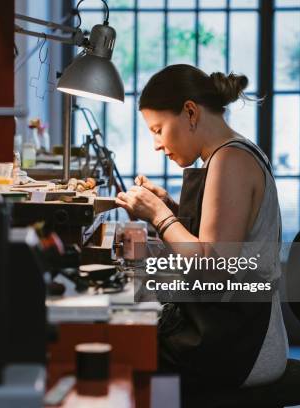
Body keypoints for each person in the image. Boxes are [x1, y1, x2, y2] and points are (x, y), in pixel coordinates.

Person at [115, 64, 288, 396]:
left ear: (190, 112)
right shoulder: (230, 153)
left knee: (126, 357)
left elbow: (212, 267)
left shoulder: (230, 161)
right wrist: (170, 206)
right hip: (237, 330)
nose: (155, 144)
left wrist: (159, 215)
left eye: (158, 129)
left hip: (242, 345)